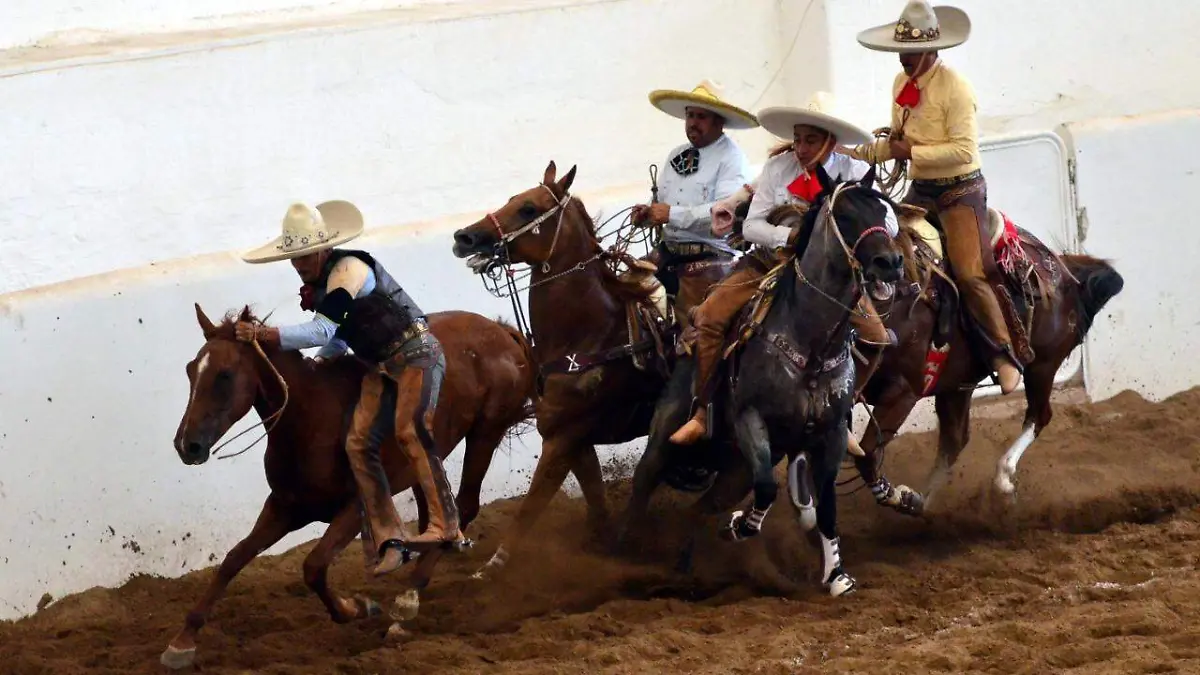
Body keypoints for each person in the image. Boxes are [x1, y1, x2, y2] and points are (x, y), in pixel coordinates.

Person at [237, 201, 461, 576]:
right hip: (382, 366)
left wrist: (265, 335)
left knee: (409, 432)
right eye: (294, 257)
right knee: (357, 443)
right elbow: (339, 337)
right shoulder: (327, 283)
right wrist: (322, 361)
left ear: (324, 248)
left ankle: (445, 525)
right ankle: (390, 537)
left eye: (305, 255)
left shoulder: (348, 269)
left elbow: (324, 329)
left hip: (416, 355)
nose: (299, 263)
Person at [670, 92, 898, 446]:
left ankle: (841, 412)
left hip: (829, 280)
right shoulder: (778, 169)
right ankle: (704, 410)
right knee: (710, 318)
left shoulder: (854, 172)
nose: (801, 148)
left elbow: (890, 224)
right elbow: (751, 226)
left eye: (810, 140)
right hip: (768, 264)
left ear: (830, 141)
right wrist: (790, 235)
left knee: (876, 337)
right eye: (797, 139)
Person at [848, 0, 1022, 394]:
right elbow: (894, 143)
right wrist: (859, 153)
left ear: (931, 50)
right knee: (889, 250)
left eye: (909, 53)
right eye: (901, 52)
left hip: (960, 190)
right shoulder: (900, 86)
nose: (904, 59)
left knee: (969, 272)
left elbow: (964, 151)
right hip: (922, 188)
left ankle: (1003, 352)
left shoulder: (956, 88)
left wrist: (912, 153)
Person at [635, 80, 757, 302]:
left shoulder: (732, 158)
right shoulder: (676, 154)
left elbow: (725, 211)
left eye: (701, 117)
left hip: (711, 259)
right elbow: (660, 201)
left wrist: (670, 214)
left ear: (719, 121)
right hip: (666, 253)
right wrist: (646, 215)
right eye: (690, 115)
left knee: (694, 326)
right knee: (621, 293)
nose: (693, 123)